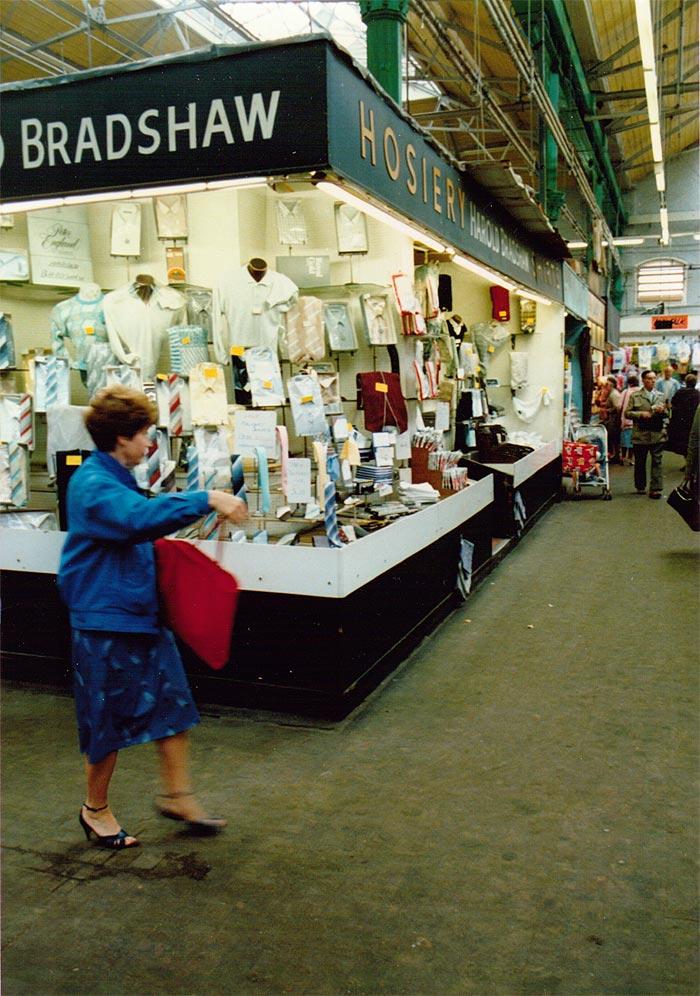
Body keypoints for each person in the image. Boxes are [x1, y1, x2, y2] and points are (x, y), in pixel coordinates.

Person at [57, 385, 248, 849]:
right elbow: (136, 520)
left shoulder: (115, 478)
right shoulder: (93, 484)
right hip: (106, 621)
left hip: (138, 614)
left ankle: (178, 795)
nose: (150, 443)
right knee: (106, 723)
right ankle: (95, 809)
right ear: (121, 438)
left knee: (173, 705)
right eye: (144, 434)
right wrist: (207, 499)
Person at [627, 369, 668, 498]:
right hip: (641, 434)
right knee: (640, 461)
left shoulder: (661, 396)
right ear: (643, 380)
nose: (652, 381)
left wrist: (663, 411)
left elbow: (668, 414)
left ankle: (656, 489)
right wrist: (641, 414)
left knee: (657, 461)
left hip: (657, 433)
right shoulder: (635, 396)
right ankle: (640, 485)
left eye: (654, 378)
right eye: (649, 379)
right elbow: (627, 413)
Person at [667, 374, 700, 460]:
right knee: (691, 443)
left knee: (683, 443)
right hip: (692, 422)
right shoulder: (697, 394)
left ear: (686, 382)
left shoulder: (680, 392)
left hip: (680, 422)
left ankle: (687, 460)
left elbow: (673, 404)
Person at [619, 374, 640, 466]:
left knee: (624, 441)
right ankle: (631, 459)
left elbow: (619, 406)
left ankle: (623, 458)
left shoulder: (626, 392)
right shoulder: (641, 392)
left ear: (629, 383)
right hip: (638, 421)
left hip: (626, 420)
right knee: (633, 442)